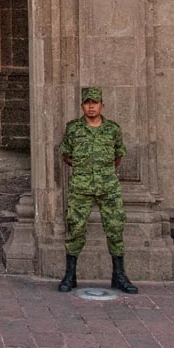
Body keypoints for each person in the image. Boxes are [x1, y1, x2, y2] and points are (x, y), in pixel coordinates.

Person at [58, 86, 138, 294]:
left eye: (95, 102)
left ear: (102, 105)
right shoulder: (73, 128)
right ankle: (70, 275)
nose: (91, 106)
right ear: (82, 105)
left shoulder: (112, 129)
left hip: (108, 187)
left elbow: (118, 156)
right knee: (75, 229)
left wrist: (103, 171)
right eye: (87, 102)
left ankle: (119, 275)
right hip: (81, 187)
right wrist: (84, 170)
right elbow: (66, 155)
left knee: (115, 229)